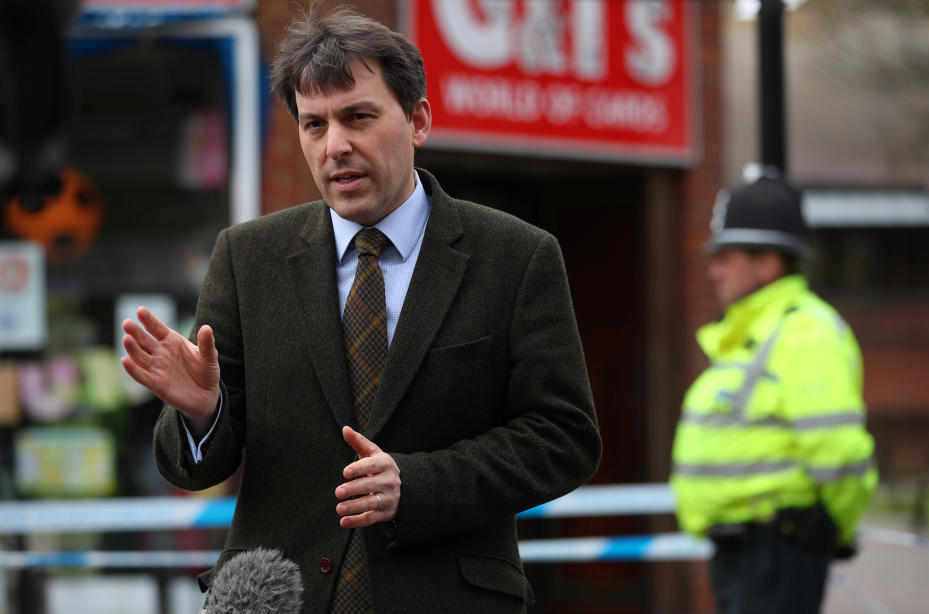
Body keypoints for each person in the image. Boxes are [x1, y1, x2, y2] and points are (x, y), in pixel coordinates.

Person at [119, 3, 601, 613]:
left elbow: (564, 439)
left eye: (358, 117)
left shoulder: (516, 256)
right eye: (314, 124)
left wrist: (418, 483)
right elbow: (191, 469)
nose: (335, 146)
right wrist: (203, 413)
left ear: (418, 120)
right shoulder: (248, 257)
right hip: (280, 598)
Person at [669, 174, 877, 614]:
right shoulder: (756, 333)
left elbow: (837, 450)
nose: (713, 271)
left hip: (777, 549)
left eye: (726, 257)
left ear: (767, 263)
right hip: (744, 552)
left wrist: (832, 526)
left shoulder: (805, 333)